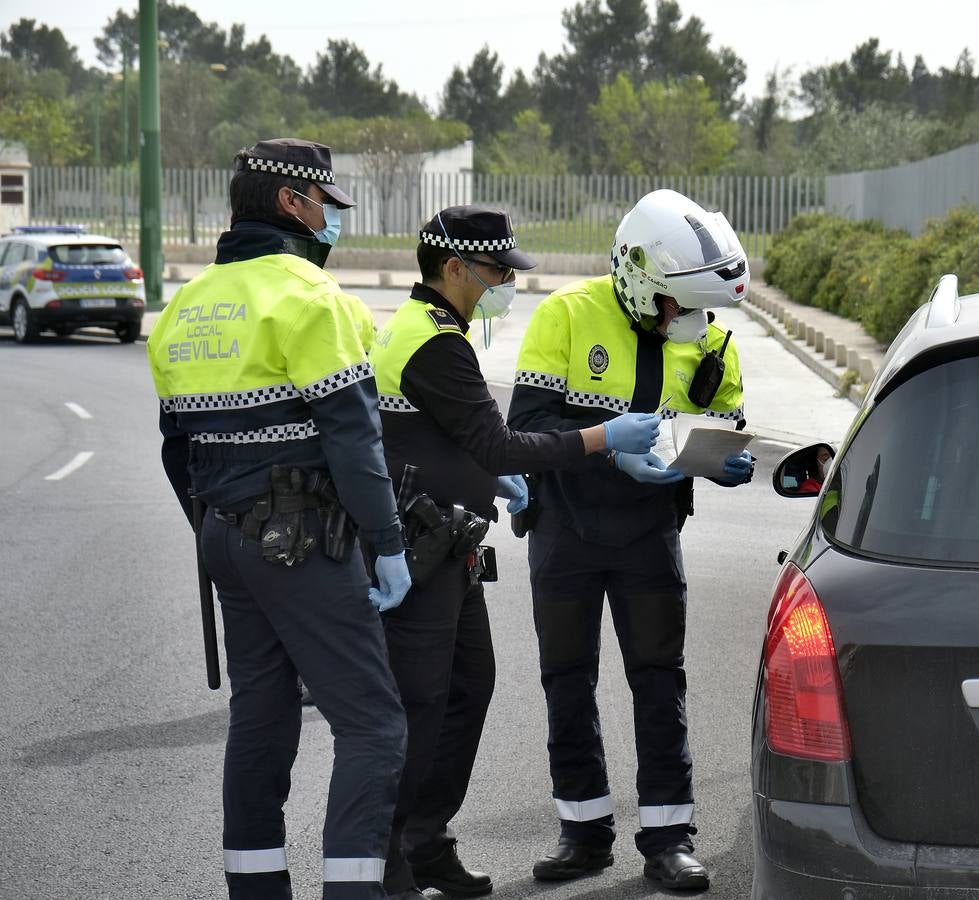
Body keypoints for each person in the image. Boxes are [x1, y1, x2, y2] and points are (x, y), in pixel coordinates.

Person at [368, 206, 663, 898]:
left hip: (449, 544)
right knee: (422, 705)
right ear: (454, 269)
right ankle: (389, 861)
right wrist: (601, 438)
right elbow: (495, 441)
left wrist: (491, 479)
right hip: (424, 546)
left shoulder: (429, 330)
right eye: (497, 271)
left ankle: (426, 841)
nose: (506, 283)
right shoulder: (434, 340)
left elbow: (448, 441)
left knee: (469, 688)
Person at [146, 138, 412, 900]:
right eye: (327, 205)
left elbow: (177, 453)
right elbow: (354, 440)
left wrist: (218, 529)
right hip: (302, 539)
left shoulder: (184, 307)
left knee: (260, 715)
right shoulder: (308, 296)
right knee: (373, 726)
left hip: (226, 539)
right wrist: (387, 542)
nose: (332, 220)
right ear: (293, 203)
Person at [507, 189, 755, 891]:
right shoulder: (565, 315)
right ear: (638, 278)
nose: (690, 320)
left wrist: (727, 462)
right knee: (567, 682)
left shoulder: (705, 335)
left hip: (650, 533)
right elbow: (526, 426)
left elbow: (725, 421)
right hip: (565, 530)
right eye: (677, 305)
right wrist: (608, 449)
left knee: (658, 680)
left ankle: (669, 838)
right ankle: (582, 834)